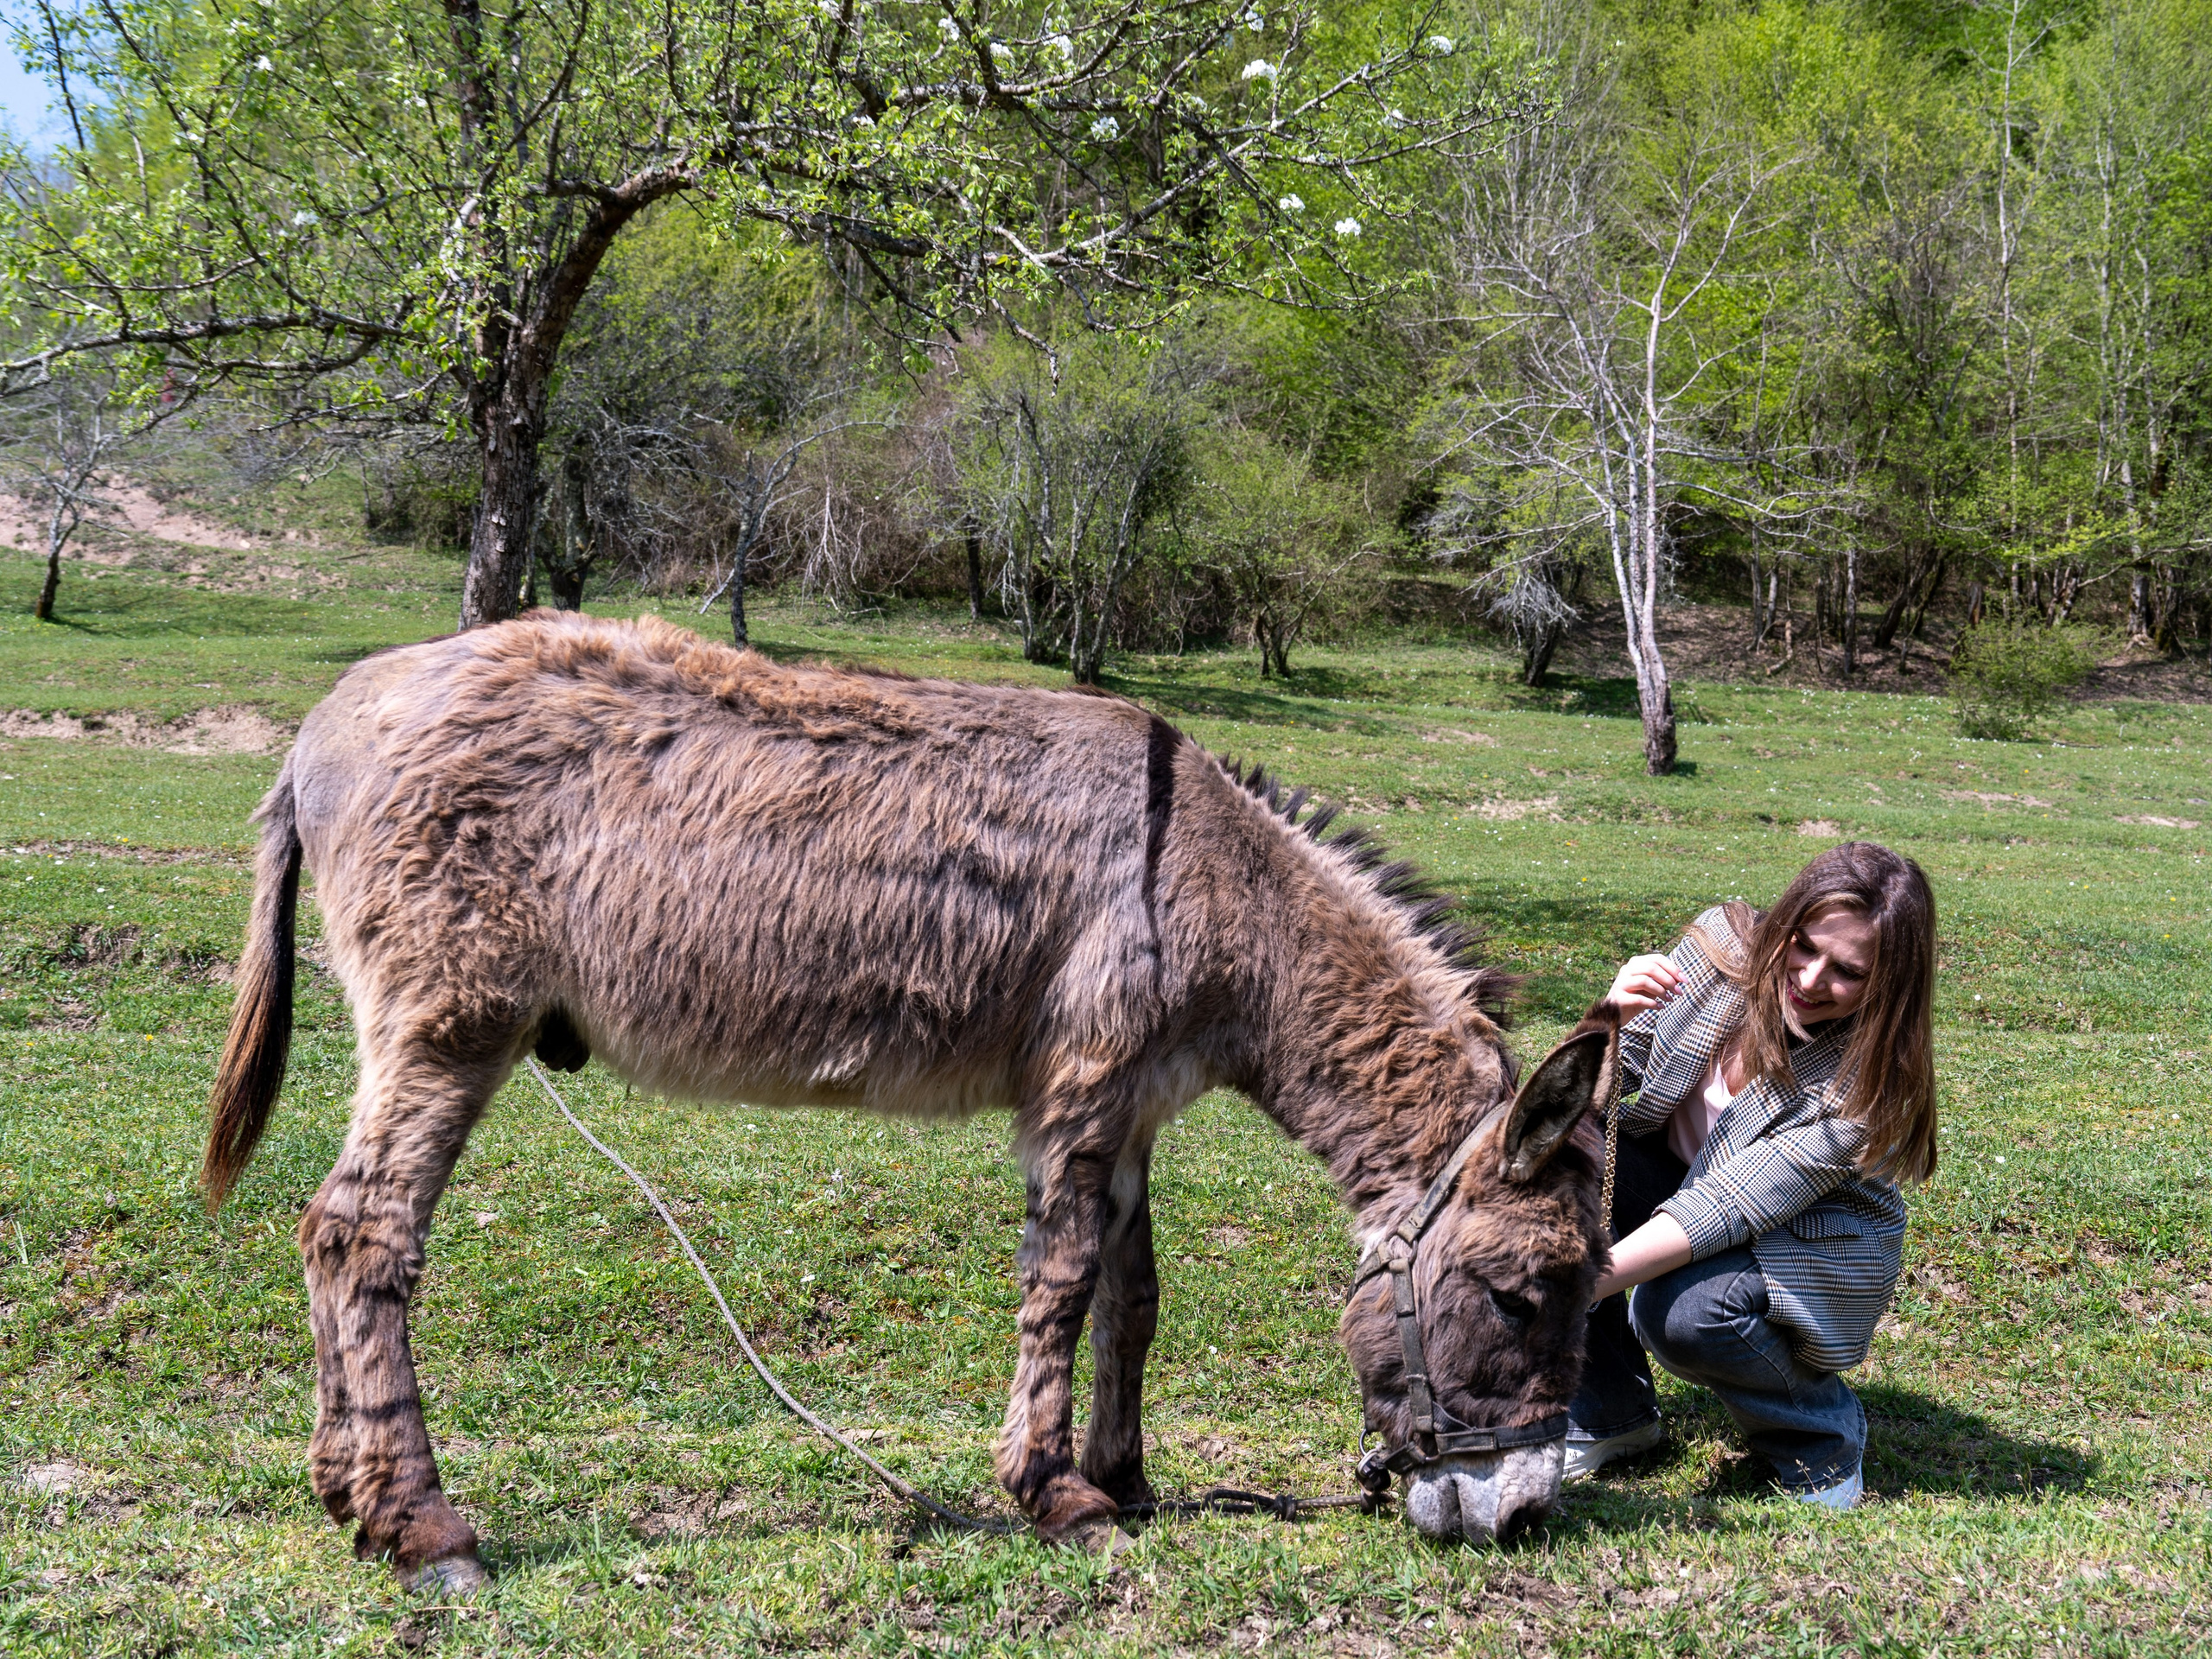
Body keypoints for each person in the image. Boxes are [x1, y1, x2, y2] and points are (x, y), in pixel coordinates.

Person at [1567, 841, 1938, 1510]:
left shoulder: (1865, 1086)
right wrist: (1608, 1023)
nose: (1811, 979)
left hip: (1807, 1243)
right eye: (1804, 945)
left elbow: (1731, 1204)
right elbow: (1595, 1096)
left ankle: (1823, 1443)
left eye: (1849, 972)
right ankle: (1612, 1415)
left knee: (1682, 1312)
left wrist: (1568, 1286)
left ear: (1886, 986)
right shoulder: (1716, 952)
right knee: (1558, 1178)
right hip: (1684, 1187)